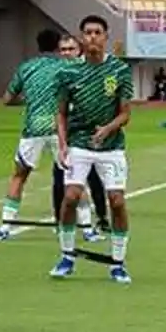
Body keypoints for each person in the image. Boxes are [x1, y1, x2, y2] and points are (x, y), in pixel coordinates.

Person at [49, 15, 134, 284]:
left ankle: (118, 262)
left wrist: (107, 129)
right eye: (87, 33)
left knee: (117, 201)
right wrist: (62, 145)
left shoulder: (119, 70)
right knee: (71, 196)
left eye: (98, 32)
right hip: (79, 144)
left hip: (111, 147)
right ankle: (66, 255)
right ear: (81, 37)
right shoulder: (69, 72)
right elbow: (60, 113)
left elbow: (125, 114)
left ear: (106, 36)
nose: (93, 37)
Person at [0, 28, 65, 241]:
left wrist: (28, 101)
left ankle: (6, 225)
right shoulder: (68, 67)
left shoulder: (27, 67)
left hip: (33, 127)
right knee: (73, 177)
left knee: (19, 176)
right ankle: (86, 227)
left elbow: (7, 99)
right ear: (58, 45)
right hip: (58, 128)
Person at [53, 33, 109, 243]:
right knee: (66, 183)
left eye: (71, 49)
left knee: (95, 181)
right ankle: (74, 225)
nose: (67, 53)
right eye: (63, 50)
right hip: (68, 137)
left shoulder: (92, 72)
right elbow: (58, 109)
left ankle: (99, 218)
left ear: (80, 50)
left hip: (92, 137)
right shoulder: (60, 75)